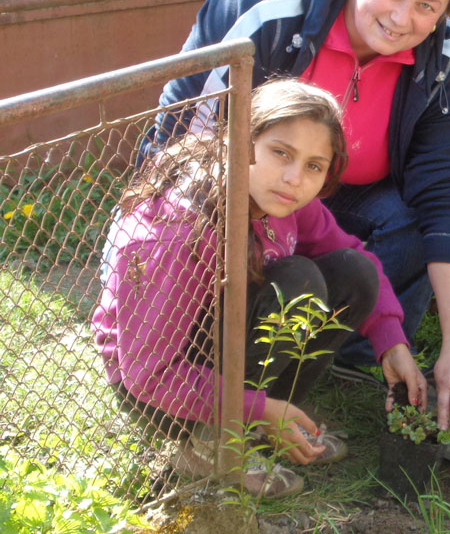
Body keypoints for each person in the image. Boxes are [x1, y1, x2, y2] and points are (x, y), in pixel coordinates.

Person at [145, 0, 450, 432]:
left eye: (428, 5)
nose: (402, 18)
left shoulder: (445, 67)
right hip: (226, 198)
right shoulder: (262, 9)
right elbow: (188, 144)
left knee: (402, 227)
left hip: (341, 202)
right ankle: (206, 361)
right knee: (294, 277)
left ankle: (353, 353)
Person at [94, 79, 426, 498]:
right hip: (160, 388)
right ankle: (210, 442)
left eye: (313, 166)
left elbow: (354, 257)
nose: (293, 179)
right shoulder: (180, 230)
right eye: (280, 153)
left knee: (353, 271)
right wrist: (258, 406)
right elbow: (148, 374)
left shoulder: (285, 202)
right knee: (298, 281)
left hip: (220, 358)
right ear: (242, 140)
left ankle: (265, 426)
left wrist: (391, 342)